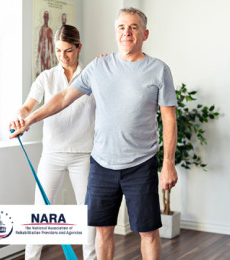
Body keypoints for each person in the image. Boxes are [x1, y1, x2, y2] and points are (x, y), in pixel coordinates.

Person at [10, 7, 178, 260]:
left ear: (145, 33)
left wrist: (168, 163)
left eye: (133, 27)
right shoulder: (99, 66)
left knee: (148, 232)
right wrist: (30, 119)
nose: (127, 32)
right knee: (101, 230)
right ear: (115, 32)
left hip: (140, 165)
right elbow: (64, 98)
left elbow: (169, 118)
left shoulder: (158, 70)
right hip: (101, 164)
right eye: (122, 27)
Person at [9, 25, 96, 260]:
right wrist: (21, 116)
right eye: (58, 51)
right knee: (40, 214)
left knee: (88, 215)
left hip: (83, 154)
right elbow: (28, 106)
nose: (62, 56)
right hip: (52, 155)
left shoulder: (91, 76)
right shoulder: (46, 77)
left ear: (78, 48)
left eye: (68, 50)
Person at [36, 11, 55, 77]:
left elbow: (51, 44)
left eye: (47, 17)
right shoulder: (41, 29)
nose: (46, 19)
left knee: (48, 69)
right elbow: (39, 42)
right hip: (42, 53)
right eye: (45, 17)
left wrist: (53, 57)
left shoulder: (49, 30)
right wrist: (38, 56)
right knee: (42, 70)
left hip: (48, 54)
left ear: (48, 18)